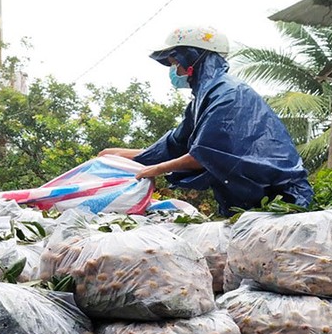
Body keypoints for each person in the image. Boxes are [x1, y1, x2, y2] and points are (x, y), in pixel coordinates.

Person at [99, 25, 314, 217]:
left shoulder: (230, 95)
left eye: (175, 63)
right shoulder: (201, 101)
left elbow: (203, 155)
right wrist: (118, 157)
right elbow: (174, 145)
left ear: (191, 59)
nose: (174, 71)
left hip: (283, 203)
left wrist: (154, 170)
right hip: (244, 207)